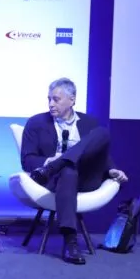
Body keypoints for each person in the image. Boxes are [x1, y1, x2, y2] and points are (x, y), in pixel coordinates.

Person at [20, 78, 128, 265]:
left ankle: (58, 164)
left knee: (102, 133)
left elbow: (100, 154)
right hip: (54, 179)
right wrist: (47, 161)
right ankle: (71, 241)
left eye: (56, 99)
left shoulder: (89, 123)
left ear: (72, 100)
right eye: (49, 99)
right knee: (68, 171)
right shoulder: (36, 123)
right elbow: (27, 160)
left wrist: (112, 169)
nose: (51, 104)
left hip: (86, 178)